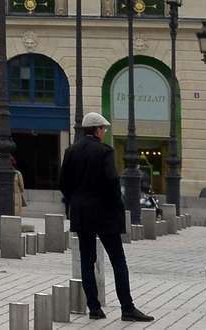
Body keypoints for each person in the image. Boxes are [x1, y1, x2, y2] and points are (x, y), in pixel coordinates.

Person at [60, 112, 151, 322]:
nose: (105, 132)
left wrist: (77, 200)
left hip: (82, 213)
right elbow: (111, 182)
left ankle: (94, 308)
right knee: (118, 260)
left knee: (87, 260)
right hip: (104, 213)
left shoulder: (71, 152)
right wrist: (117, 208)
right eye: (104, 129)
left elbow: (63, 183)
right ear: (98, 130)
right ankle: (127, 308)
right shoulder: (104, 151)